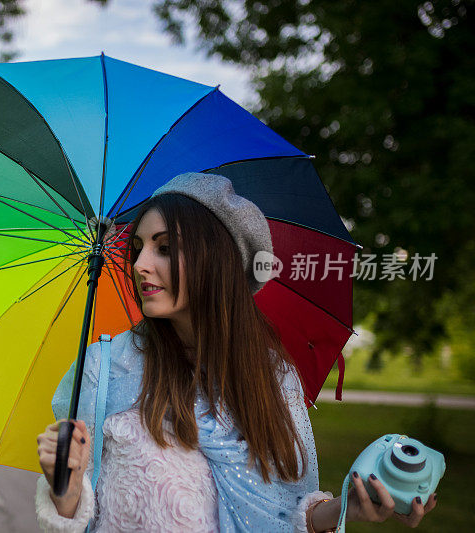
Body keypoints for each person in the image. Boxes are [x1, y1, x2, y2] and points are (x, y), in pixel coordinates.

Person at [34, 173, 438, 532]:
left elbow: (288, 514)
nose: (139, 263)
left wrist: (344, 509)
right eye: (138, 247)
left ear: (217, 261)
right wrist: (64, 490)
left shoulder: (272, 376)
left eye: (164, 248)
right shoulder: (105, 368)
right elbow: (75, 516)